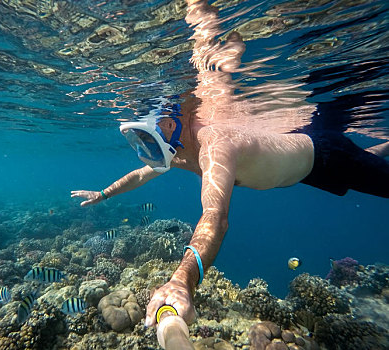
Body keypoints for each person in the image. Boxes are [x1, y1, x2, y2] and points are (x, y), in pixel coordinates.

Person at [71, 0, 389, 329]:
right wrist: (104, 193)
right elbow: (143, 172)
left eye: (149, 139)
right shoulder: (177, 150)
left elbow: (215, 219)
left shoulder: (214, 143)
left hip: (327, 155)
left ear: (168, 124)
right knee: (360, 169)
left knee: (362, 171)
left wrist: (182, 282)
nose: (148, 149)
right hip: (306, 173)